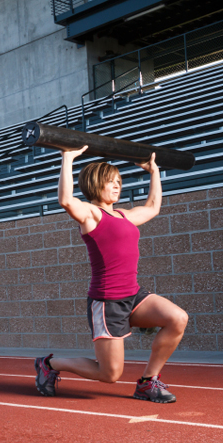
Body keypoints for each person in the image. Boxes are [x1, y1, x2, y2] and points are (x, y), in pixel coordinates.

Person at [35, 146, 188, 403]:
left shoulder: (123, 215)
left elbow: (152, 207)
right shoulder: (91, 215)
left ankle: (147, 383)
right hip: (108, 303)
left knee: (177, 318)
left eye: (119, 182)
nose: (117, 186)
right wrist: (68, 158)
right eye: (110, 182)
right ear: (96, 184)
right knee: (109, 374)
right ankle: (49, 364)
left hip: (134, 295)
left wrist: (154, 172)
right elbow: (65, 201)